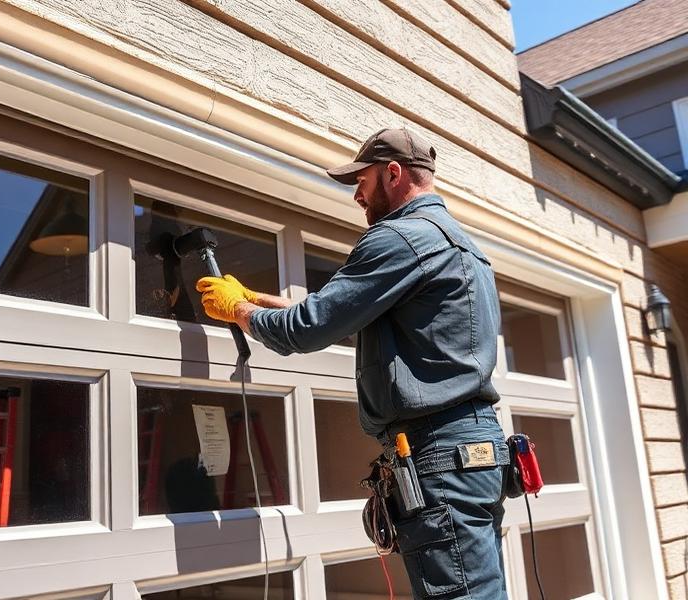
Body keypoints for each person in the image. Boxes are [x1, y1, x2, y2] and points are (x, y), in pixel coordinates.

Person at [196, 128, 508, 600]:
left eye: (361, 181)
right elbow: (351, 316)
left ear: (394, 174)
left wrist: (238, 312)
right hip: (476, 453)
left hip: (440, 454)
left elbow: (309, 328)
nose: (358, 195)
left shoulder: (400, 237)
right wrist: (259, 301)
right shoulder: (464, 247)